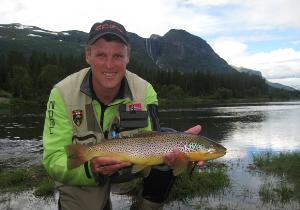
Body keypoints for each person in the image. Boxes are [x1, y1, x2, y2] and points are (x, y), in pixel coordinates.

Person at [42, 19, 204, 210]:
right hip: (85, 171)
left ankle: (146, 206)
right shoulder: (61, 93)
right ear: (88, 56)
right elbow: (53, 158)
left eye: (117, 56)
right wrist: (90, 168)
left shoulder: (145, 91)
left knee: (166, 141)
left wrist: (178, 145)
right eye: (101, 55)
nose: (109, 65)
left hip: (130, 166)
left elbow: (153, 135)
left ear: (128, 57)